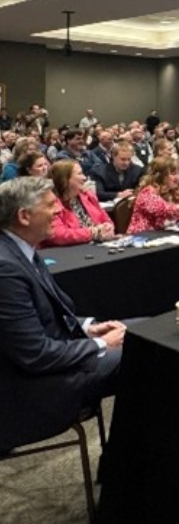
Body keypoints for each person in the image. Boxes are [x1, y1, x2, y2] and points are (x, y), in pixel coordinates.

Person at [0, 177, 126, 453]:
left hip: (57, 354)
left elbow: (46, 316)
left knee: (146, 330)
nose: (58, 210)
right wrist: (102, 344)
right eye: (50, 205)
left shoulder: (21, 250)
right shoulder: (5, 268)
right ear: (24, 216)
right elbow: (35, 355)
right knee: (150, 352)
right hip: (33, 385)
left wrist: (88, 329)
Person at [127, 158, 179, 233]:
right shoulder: (147, 193)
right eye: (173, 174)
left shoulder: (175, 192)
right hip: (141, 239)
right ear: (161, 176)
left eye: (178, 173)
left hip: (163, 237)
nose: (178, 177)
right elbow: (168, 210)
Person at [45, 161, 115, 247]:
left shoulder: (88, 195)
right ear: (65, 179)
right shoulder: (51, 204)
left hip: (99, 246)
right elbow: (58, 235)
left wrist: (108, 227)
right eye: (80, 174)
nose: (84, 178)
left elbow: (105, 219)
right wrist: (93, 232)